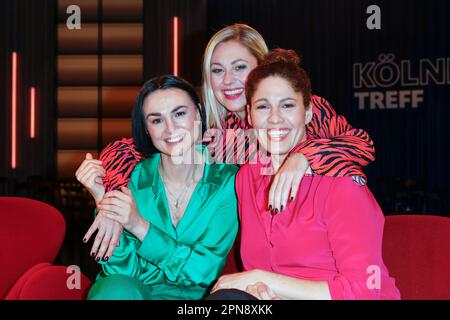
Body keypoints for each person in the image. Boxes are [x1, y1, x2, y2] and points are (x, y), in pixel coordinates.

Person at [78, 23, 375, 263]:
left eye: (239, 68)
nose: (228, 80)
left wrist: (302, 158)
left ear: (262, 68)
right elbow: (127, 149)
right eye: (217, 70)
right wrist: (111, 202)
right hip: (254, 249)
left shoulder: (299, 108)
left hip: (324, 243)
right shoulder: (214, 129)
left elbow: (360, 144)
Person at [208, 49, 400, 300]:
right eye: (263, 107)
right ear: (250, 116)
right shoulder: (247, 178)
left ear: (308, 112)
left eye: (287, 105)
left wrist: (261, 279)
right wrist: (263, 289)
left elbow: (365, 290)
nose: (275, 118)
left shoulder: (341, 184)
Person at [81, 75, 238, 300]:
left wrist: (139, 226)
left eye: (179, 113)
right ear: (146, 129)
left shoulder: (227, 182)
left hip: (200, 301)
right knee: (115, 289)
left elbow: (204, 272)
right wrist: (101, 200)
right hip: (138, 295)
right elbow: (120, 272)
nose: (170, 128)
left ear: (199, 113)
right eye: (156, 120)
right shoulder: (131, 179)